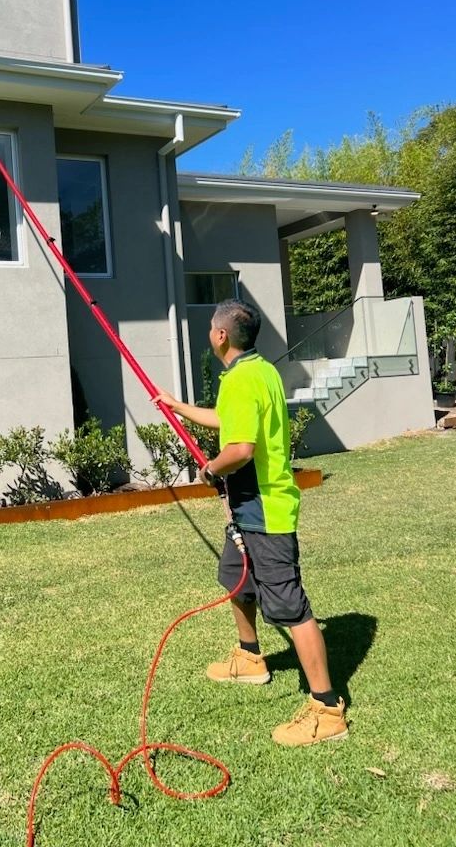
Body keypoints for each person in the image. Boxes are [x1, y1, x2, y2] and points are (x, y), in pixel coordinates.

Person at [155, 299, 347, 746]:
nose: (209, 333)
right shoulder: (258, 372)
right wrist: (177, 406)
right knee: (235, 578)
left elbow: (239, 448)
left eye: (209, 328)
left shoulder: (242, 379)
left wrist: (208, 471)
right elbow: (228, 421)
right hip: (249, 507)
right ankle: (250, 657)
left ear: (221, 336)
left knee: (289, 605)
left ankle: (327, 707)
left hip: (264, 508)